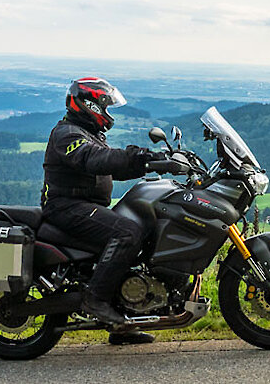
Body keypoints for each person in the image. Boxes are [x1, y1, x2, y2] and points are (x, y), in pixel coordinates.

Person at [41, 77, 185, 345]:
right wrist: (144, 157)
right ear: (90, 105)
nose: (108, 112)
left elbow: (111, 168)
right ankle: (95, 299)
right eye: (105, 105)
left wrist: (155, 164)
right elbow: (96, 159)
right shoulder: (67, 134)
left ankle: (126, 318)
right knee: (127, 233)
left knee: (144, 227)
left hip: (85, 206)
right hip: (66, 207)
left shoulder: (89, 133)